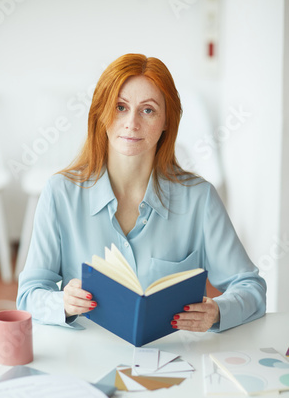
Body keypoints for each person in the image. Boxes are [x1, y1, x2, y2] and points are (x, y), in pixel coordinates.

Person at [17, 53, 266, 333]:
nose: (131, 123)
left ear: (167, 121)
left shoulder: (200, 198)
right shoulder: (59, 193)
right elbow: (28, 296)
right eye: (120, 107)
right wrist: (61, 302)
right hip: (87, 356)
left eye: (148, 110)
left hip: (175, 359)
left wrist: (219, 310)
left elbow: (250, 287)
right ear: (101, 113)